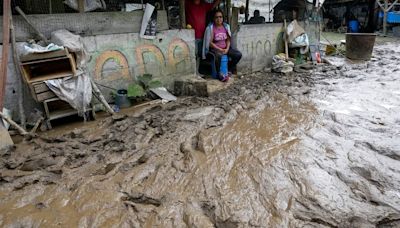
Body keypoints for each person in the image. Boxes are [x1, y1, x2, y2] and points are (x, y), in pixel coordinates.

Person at [203, 9, 242, 81]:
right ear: (214, 18)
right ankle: (219, 75)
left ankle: (229, 70)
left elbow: (228, 39)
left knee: (238, 55)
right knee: (218, 56)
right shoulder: (211, 28)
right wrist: (219, 49)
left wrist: (227, 49)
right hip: (215, 49)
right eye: (216, 17)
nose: (219, 19)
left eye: (220, 17)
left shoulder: (225, 26)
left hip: (225, 48)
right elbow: (210, 43)